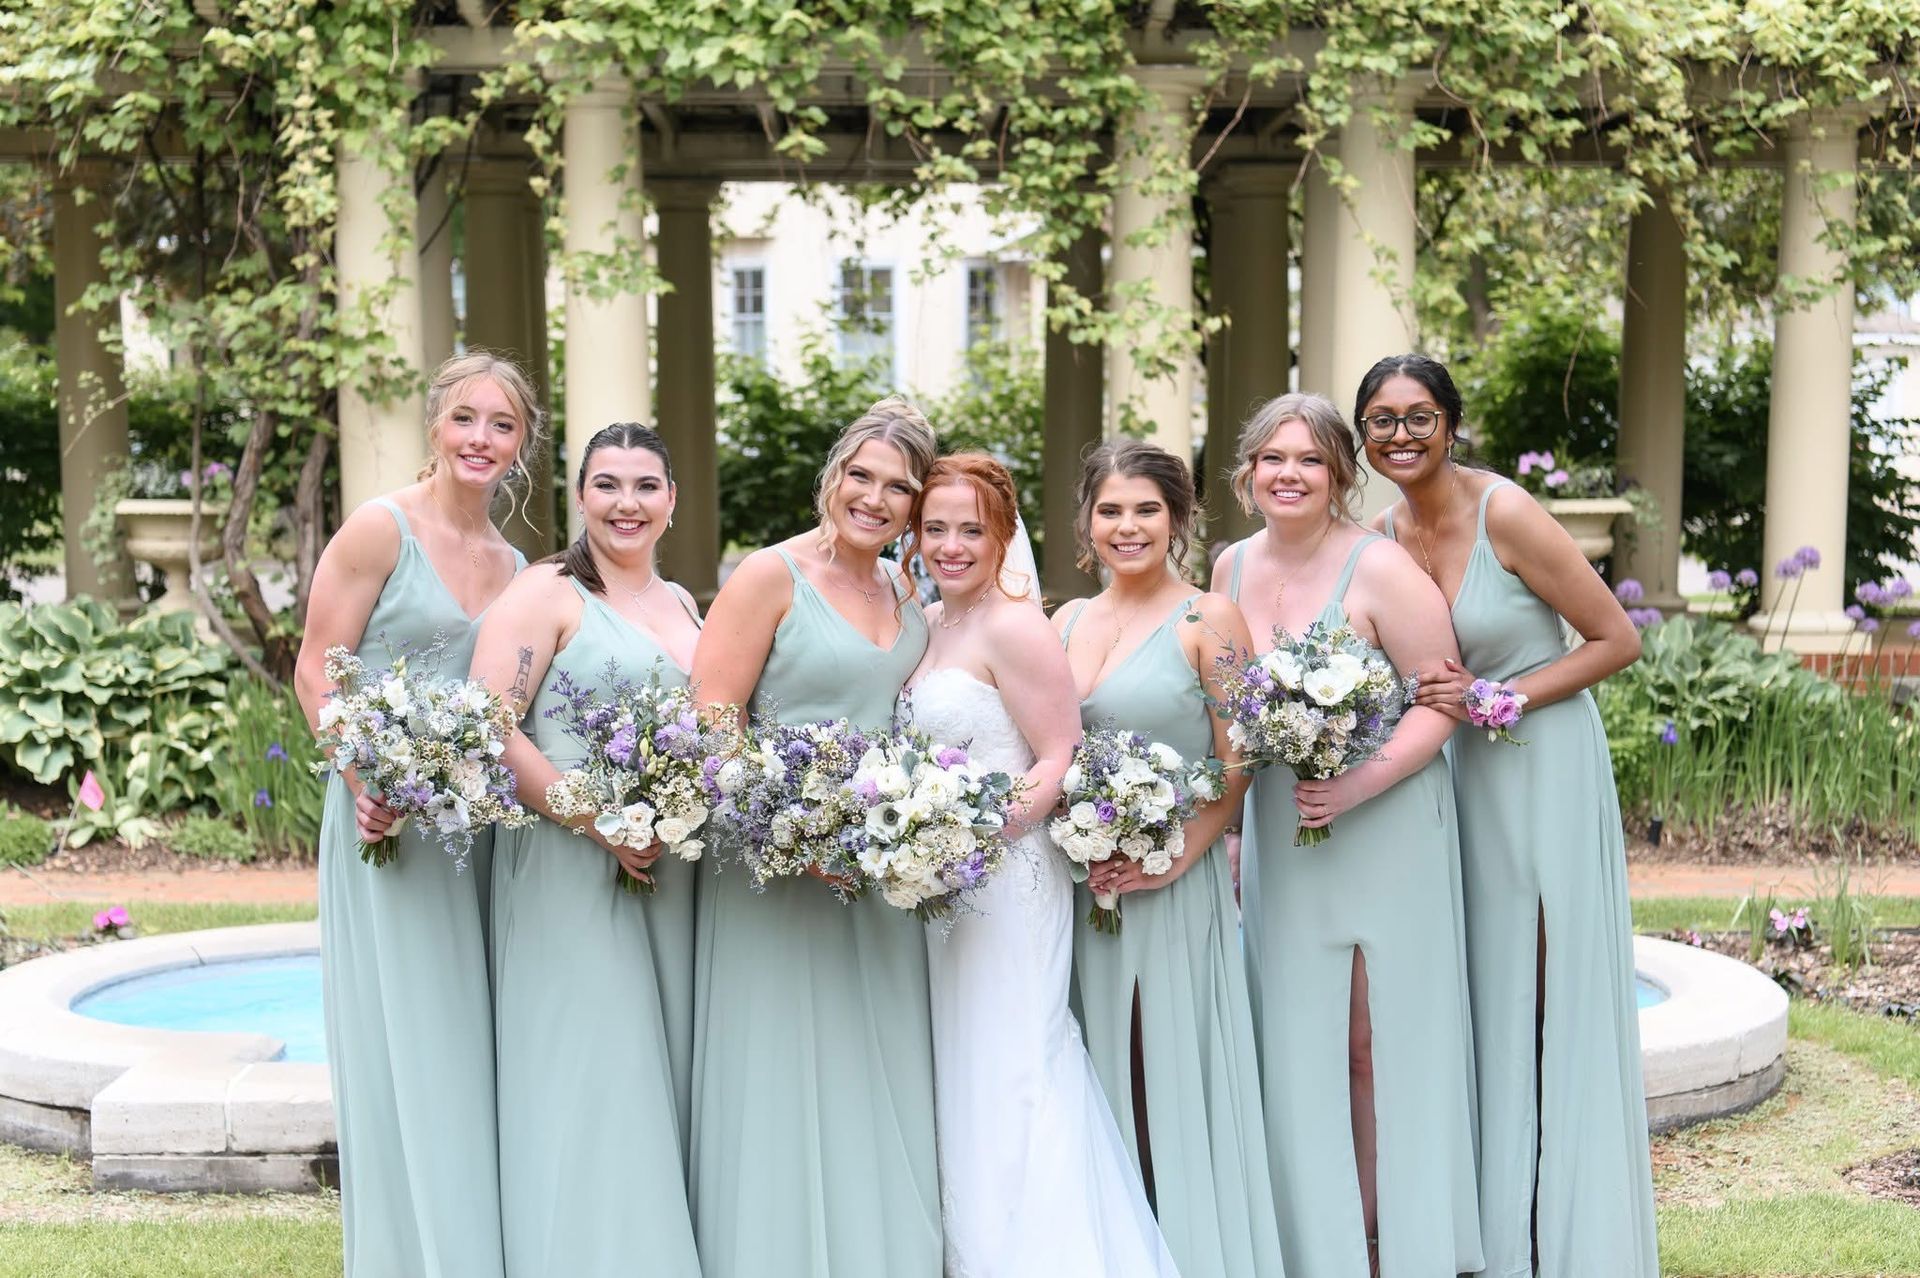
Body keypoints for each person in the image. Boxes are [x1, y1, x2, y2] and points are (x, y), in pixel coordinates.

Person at [1360, 354, 1658, 1277]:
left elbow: (1618, 639)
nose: (1399, 435)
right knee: (1478, 990)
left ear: (1451, 423)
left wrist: (1502, 697)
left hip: (1540, 771)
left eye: (1418, 417)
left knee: (1543, 986)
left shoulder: (1509, 515)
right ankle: (1495, 1229)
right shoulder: (1378, 536)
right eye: (1379, 420)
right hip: (1450, 785)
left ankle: (1564, 1234)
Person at [1213, 392, 1483, 1278]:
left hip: (1385, 824)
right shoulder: (1226, 571)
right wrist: (1231, 833)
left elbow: (1440, 704)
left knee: (1376, 1037)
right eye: (1273, 459)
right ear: (1249, 473)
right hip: (1284, 835)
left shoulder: (1381, 570)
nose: (1289, 476)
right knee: (1295, 1036)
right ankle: (1310, 1243)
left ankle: (1387, 1243)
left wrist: (1359, 783)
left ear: (1338, 474)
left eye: (1311, 461)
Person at [294, 350, 541, 1278]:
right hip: (384, 820)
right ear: (435, 424)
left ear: (522, 444)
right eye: (467, 418)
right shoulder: (378, 529)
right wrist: (364, 779)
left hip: (475, 830)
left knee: (475, 1041)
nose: (482, 439)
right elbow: (317, 666)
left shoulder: (517, 564)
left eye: (503, 425)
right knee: (411, 1041)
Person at [686, 396, 940, 1277]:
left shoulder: (911, 590)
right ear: (833, 475)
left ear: (915, 503)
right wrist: (787, 828)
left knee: (875, 1062)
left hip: (878, 869)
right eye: (861, 475)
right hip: (776, 865)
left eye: (898, 487)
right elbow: (714, 715)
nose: (874, 498)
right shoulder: (770, 575)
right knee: (783, 1070)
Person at [909, 452, 1177, 1277]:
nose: (952, 546)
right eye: (936, 529)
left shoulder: (1015, 624)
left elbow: (1058, 753)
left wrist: (975, 837)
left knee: (1014, 1061)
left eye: (971, 531)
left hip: (1007, 880)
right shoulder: (928, 622)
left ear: (1002, 538)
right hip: (941, 883)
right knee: (962, 1065)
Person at [467, 423, 702, 1276]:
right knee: (590, 1073)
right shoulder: (548, 593)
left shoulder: (681, 605)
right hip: (569, 867)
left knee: (654, 1074)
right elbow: (489, 726)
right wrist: (591, 818)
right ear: (581, 496)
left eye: (646, 486)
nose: (626, 504)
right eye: (607, 485)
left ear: (671, 500)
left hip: (670, 872)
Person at [1053, 439, 1284, 1278]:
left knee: (1159, 1074)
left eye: (1147, 509)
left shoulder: (1209, 620)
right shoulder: (1065, 622)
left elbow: (1239, 761)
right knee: (1093, 1078)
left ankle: (1185, 1251)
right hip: (1078, 891)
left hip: (1170, 889)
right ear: (1087, 521)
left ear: (1179, 519)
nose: (1127, 526)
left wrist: (1172, 860)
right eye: (1110, 509)